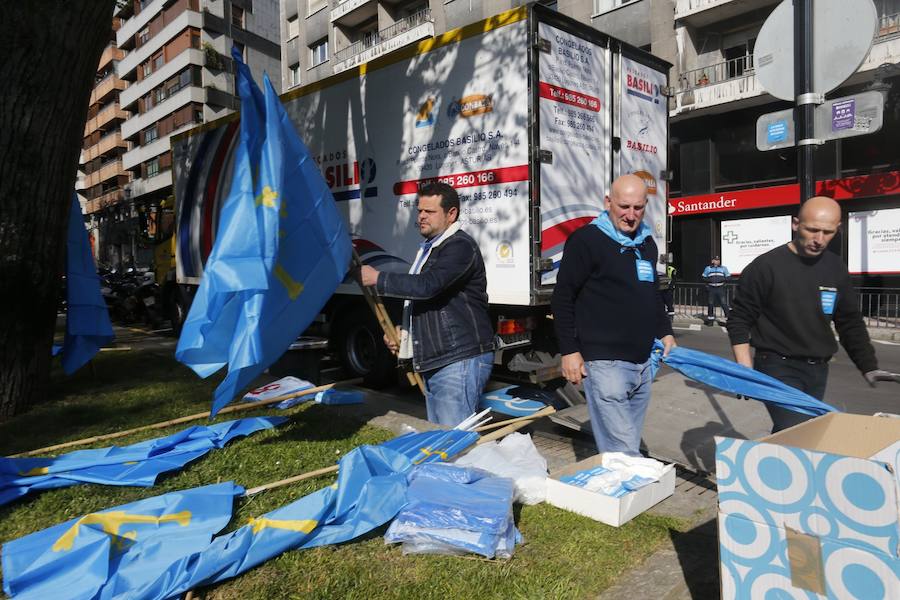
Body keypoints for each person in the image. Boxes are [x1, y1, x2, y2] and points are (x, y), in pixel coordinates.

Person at [727, 196, 892, 432]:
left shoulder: (835, 267)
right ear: (795, 224)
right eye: (812, 230)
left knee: (797, 435)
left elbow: (849, 322)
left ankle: (769, 464)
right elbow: (740, 319)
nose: (819, 240)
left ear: (838, 229)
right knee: (797, 430)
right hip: (777, 366)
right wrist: (744, 369)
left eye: (827, 232)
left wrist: (868, 365)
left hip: (818, 369)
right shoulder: (766, 266)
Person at [551, 174, 676, 456]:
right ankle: (628, 493)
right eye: (623, 206)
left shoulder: (647, 244)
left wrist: (665, 331)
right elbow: (563, 298)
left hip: (643, 363)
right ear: (608, 202)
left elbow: (652, 294)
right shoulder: (586, 240)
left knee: (624, 443)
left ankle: (616, 490)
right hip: (605, 363)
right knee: (624, 449)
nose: (631, 215)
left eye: (638, 208)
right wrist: (569, 351)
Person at [360, 182, 494, 427]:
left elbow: (428, 285)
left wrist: (378, 278)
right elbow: (428, 301)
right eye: (420, 210)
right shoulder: (433, 248)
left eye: (429, 212)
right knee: (443, 439)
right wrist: (404, 331)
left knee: (456, 441)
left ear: (451, 214)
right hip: (441, 358)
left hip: (457, 359)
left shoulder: (460, 247)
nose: (421, 216)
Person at [702, 256, 730, 323]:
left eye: (718, 260)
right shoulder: (708, 268)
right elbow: (704, 278)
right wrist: (710, 280)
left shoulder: (724, 268)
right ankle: (710, 320)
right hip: (711, 288)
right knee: (710, 304)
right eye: (716, 260)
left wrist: (721, 279)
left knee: (724, 304)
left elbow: (728, 277)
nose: (717, 261)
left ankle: (728, 320)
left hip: (720, 288)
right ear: (712, 261)